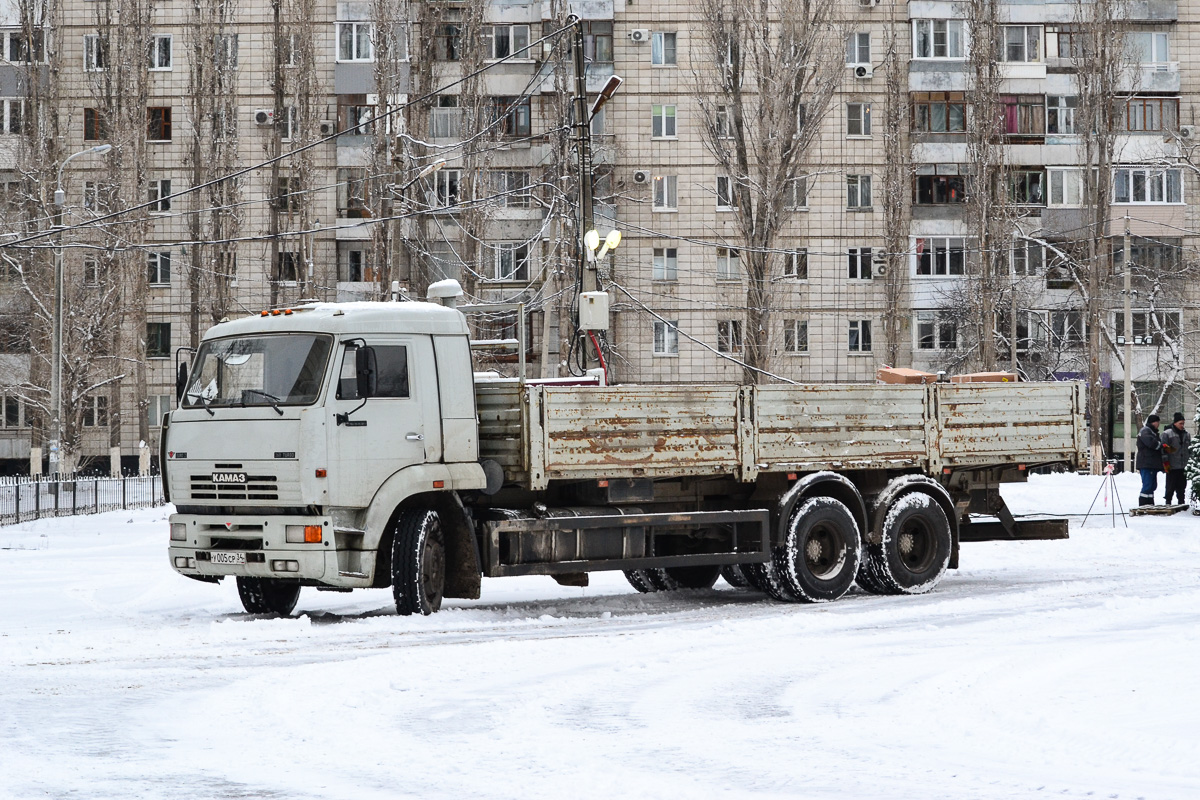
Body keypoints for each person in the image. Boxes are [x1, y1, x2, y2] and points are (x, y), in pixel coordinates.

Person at [1161, 412, 1192, 506]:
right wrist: (1166, 465)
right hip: (1171, 465)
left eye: (1183, 423)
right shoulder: (1167, 434)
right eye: (1180, 423)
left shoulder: (1186, 434)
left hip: (1183, 465)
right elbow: (1164, 449)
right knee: (1170, 486)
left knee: (1181, 486)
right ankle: (1168, 502)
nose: (1182, 425)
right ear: (1175, 423)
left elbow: (1189, 448)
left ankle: (1181, 503)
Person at [1135, 414, 1163, 506]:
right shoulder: (1145, 431)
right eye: (1158, 422)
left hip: (1151, 463)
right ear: (1154, 422)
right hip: (1147, 463)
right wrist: (1161, 446)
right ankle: (1143, 504)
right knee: (1147, 485)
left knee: (1152, 485)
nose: (1158, 424)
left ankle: (1149, 503)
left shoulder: (1151, 432)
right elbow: (1152, 443)